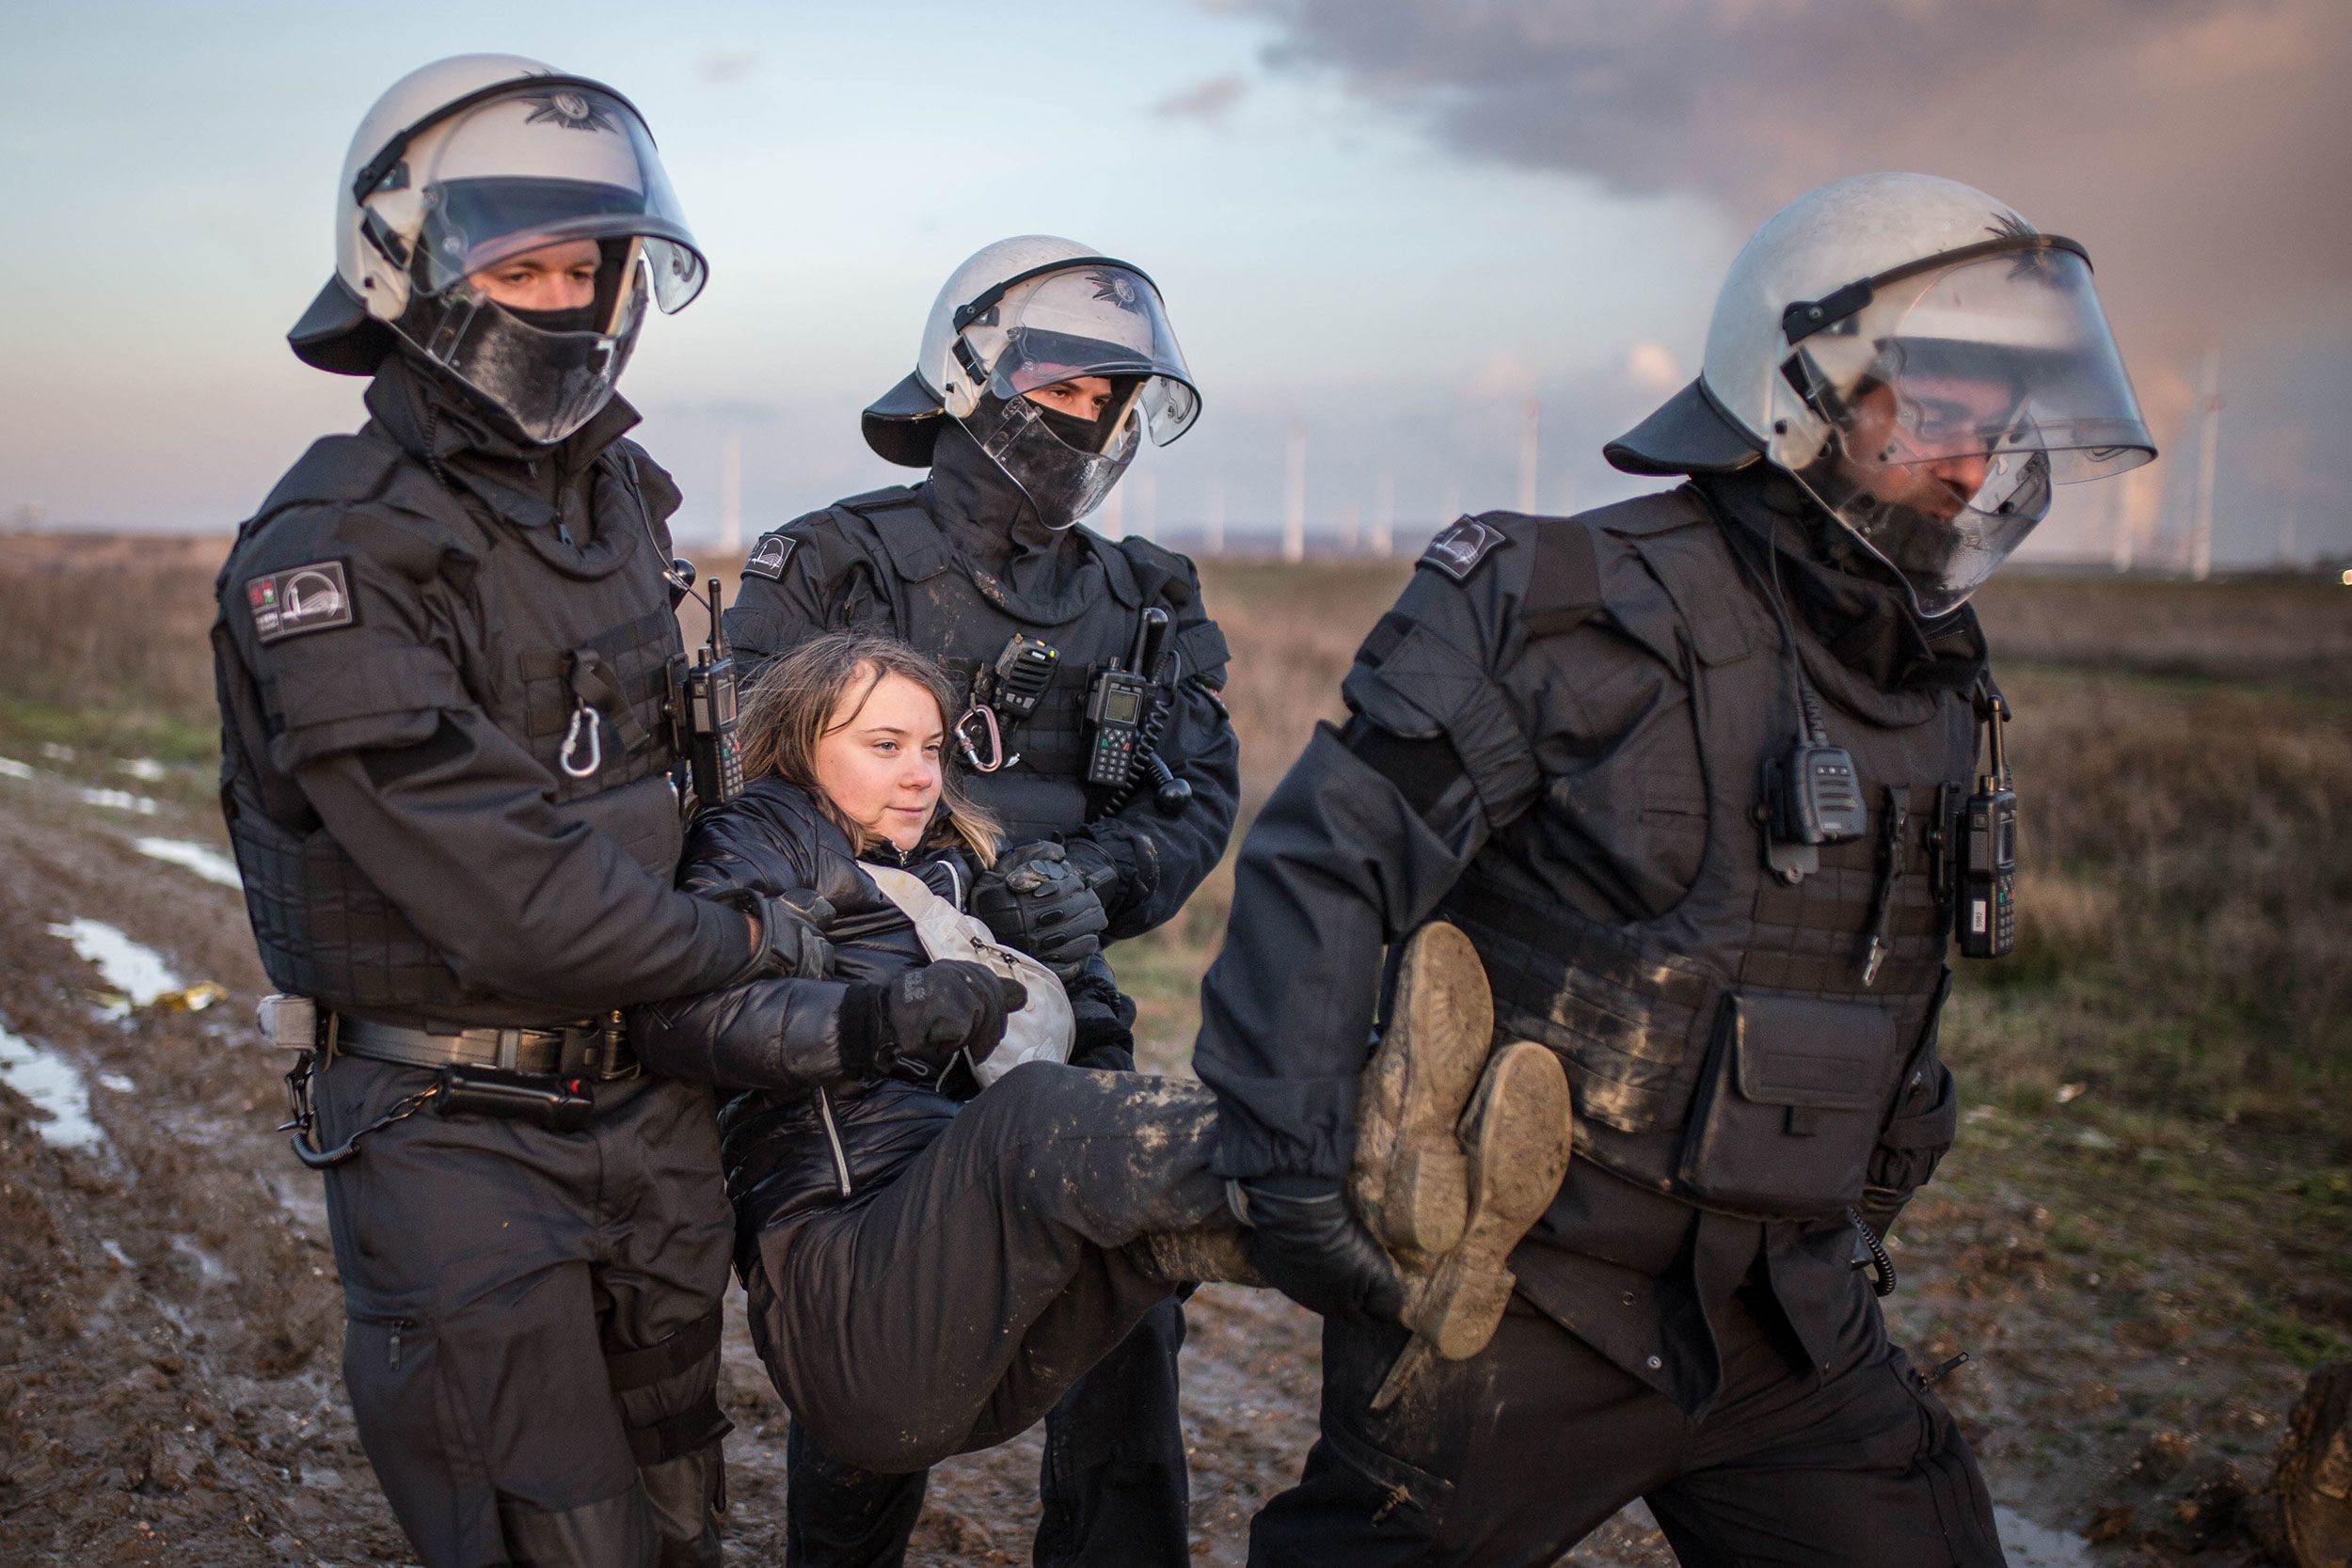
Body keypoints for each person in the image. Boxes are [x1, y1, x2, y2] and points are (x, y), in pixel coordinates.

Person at [1192, 172, 2157, 1566]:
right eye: (1944, 412)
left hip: (1793, 1324)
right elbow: (1321, 868)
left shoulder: (1935, 677)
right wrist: (1284, 1169)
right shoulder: (1561, 602)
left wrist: (1875, 1180)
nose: (1977, 464)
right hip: (1522, 1301)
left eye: (2002, 425)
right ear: (1806, 388)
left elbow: (1888, 962)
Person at [214, 55, 824, 1568]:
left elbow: (692, 778)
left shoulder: (623, 511)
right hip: (454, 1132)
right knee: (554, 1532)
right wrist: (748, 938)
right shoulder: (338, 541)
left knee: (682, 1503)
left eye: (588, 266)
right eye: (519, 262)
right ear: (408, 267)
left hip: (651, 1112)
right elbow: (498, 875)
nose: (565, 300)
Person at [626, 631, 1563, 1499]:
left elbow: (1083, 1068)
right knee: (1033, 1120)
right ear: (798, 742)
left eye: (934, 747)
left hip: (983, 1335)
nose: (920, 775)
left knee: (1142, 1226)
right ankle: (1367, 1119)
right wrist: (884, 1016)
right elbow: (691, 1015)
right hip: (853, 1306)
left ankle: (1414, 1248)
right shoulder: (757, 836)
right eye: (885, 745)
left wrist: (1071, 973)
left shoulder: (953, 875)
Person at [723, 237, 1242, 1566]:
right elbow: (754, 783)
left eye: (1115, 394)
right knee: (873, 1366)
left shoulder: (1144, 597)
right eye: (1065, 383)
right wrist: (920, 911)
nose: (1093, 416)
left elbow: (1190, 797)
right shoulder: (833, 560)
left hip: (1070, 996)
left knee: (1133, 1317)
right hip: (871, 1006)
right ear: (977, 375)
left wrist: (1090, 887)